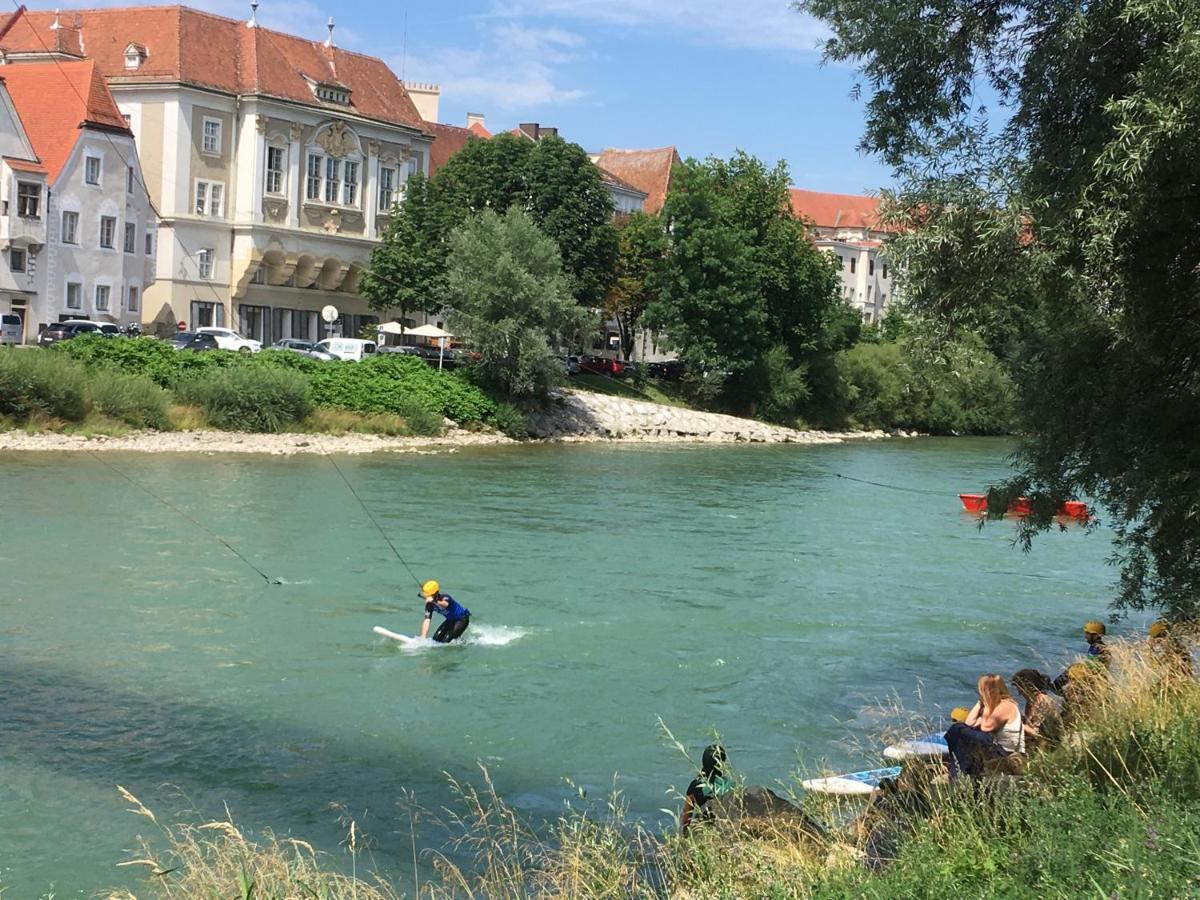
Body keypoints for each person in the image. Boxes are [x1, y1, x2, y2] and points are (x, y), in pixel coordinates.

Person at [943, 673, 1024, 778]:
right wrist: (980, 702)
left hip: (1007, 753)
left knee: (958, 729)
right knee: (959, 728)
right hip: (998, 749)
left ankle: (959, 771)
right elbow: (969, 723)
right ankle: (959, 770)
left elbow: (986, 727)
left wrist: (982, 714)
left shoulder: (1006, 705)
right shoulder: (993, 705)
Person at [681, 744, 733, 830]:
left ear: (704, 762)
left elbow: (686, 819)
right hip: (728, 826)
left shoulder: (695, 785)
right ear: (722, 763)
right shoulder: (731, 784)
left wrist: (685, 835)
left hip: (707, 828)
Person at [1012, 668, 1062, 752]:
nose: (1019, 693)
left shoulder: (1042, 701)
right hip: (1039, 740)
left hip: (1047, 743)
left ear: (1028, 686)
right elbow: (1032, 724)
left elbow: (1036, 733)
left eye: (1020, 689)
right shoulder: (1031, 702)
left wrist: (1019, 725)